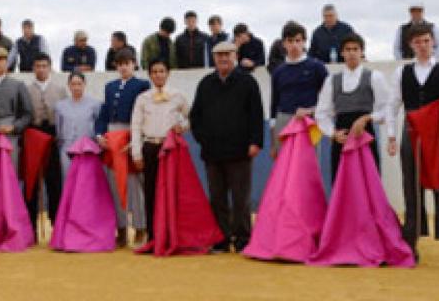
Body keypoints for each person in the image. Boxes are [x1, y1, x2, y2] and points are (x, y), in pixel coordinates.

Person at [386, 24, 439, 269]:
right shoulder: (402, 73)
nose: (422, 46)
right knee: (411, 188)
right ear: (411, 45)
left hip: (437, 135)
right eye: (417, 42)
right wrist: (390, 135)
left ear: (433, 43)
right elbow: (392, 105)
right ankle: (411, 246)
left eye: (426, 41)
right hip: (411, 133)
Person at [190, 42, 264, 253]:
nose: (223, 58)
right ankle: (221, 239)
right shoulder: (205, 84)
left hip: (240, 151)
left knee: (241, 199)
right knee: (217, 198)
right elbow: (196, 117)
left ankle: (243, 239)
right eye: (219, 55)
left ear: (235, 56)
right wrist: (204, 140)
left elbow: (256, 115)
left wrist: (255, 142)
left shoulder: (248, 82)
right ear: (213, 58)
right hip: (213, 153)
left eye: (227, 54)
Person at [315, 33, 390, 183]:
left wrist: (367, 118)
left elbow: (387, 108)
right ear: (342, 53)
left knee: (368, 180)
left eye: (355, 49)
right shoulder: (332, 80)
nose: (351, 53)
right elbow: (322, 113)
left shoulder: (375, 77)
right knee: (342, 181)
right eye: (347, 49)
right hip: (341, 137)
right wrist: (333, 133)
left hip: (365, 135)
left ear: (362, 52)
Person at [130, 59, 190, 244]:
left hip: (170, 148)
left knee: (172, 191)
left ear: (168, 73)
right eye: (154, 72)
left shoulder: (178, 96)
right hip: (150, 147)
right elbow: (136, 126)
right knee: (150, 192)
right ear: (150, 75)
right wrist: (136, 153)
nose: (158, 75)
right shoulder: (143, 98)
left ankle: (173, 233)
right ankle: (153, 234)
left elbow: (192, 117)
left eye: (161, 71)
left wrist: (184, 126)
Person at [95, 48, 151, 247]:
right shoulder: (110, 87)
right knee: (114, 186)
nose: (123, 67)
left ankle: (140, 227)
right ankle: (120, 229)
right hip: (112, 139)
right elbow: (104, 114)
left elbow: (146, 115)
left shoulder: (142, 85)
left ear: (134, 64)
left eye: (127, 63)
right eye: (120, 64)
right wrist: (100, 135)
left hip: (131, 136)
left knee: (135, 186)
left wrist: (137, 140)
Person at [269, 21, 328, 154]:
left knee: (309, 167)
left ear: (304, 42)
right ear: (284, 43)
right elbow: (274, 106)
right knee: (285, 170)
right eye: (290, 41)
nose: (294, 45)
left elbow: (329, 99)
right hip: (284, 121)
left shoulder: (317, 67)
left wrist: (311, 110)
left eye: (298, 40)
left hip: (308, 122)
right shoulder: (278, 72)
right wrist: (273, 142)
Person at [25, 53, 67, 231]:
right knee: (32, 180)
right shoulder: (26, 89)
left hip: (52, 135)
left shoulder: (60, 90)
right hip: (33, 134)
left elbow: (64, 116)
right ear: (33, 68)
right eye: (38, 66)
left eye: (44, 66)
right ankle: (30, 225)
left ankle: (56, 222)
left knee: (54, 180)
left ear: (50, 68)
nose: (41, 69)